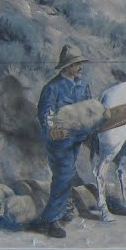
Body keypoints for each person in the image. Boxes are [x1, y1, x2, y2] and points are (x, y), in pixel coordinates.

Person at [35, 44, 93, 239]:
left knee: (67, 175)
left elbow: (88, 109)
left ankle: (63, 209)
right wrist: (51, 129)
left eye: (81, 63)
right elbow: (45, 112)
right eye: (77, 63)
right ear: (66, 66)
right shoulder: (52, 88)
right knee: (64, 175)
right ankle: (49, 220)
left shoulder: (83, 86)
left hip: (77, 139)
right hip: (59, 141)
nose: (80, 67)